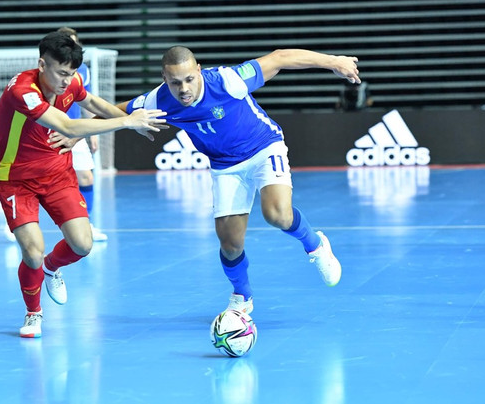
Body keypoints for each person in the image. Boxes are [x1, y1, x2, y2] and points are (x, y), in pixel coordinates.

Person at [120, 46, 360, 315]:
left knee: (278, 215)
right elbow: (114, 110)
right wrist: (91, 131)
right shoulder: (157, 101)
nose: (184, 88)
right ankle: (242, 296)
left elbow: (280, 58)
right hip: (225, 166)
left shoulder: (227, 81)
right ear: (165, 78)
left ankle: (315, 245)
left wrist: (334, 61)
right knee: (231, 245)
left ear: (199, 70)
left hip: (263, 148)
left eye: (189, 79)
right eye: (175, 82)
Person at [0, 31, 165, 338]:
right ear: (42, 65)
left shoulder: (71, 82)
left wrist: (134, 117)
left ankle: (52, 267)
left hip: (56, 172)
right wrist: (125, 123)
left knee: (83, 244)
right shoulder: (22, 91)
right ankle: (33, 313)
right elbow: (67, 125)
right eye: (60, 73)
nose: (66, 81)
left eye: (71, 74)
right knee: (32, 251)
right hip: (14, 179)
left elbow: (95, 102)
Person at [50, 27, 107, 242]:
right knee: (36, 181)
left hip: (76, 129)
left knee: (86, 176)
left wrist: (91, 131)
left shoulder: (83, 70)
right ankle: (18, 225)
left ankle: (87, 225)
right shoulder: (50, 70)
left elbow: (88, 99)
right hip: (51, 129)